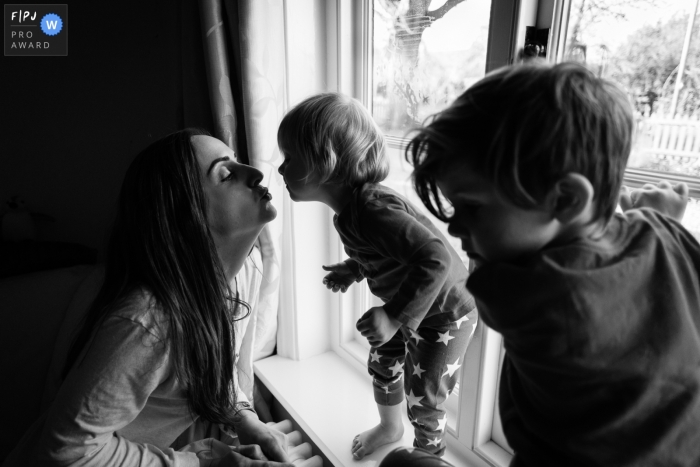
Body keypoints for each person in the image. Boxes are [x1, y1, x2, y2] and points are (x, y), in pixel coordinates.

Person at [407, 61, 700, 466]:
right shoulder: (663, 237)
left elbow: (492, 286)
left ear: (565, 200)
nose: (454, 225)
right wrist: (660, 219)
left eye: (471, 206)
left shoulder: (537, 297)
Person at [4, 129, 293, 467]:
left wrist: (246, 419)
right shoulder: (148, 322)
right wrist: (202, 463)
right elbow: (66, 451)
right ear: (188, 216)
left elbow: (217, 364)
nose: (255, 172)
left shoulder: (246, 271)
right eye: (226, 174)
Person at [276, 93, 478, 459]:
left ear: (325, 161)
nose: (280, 169)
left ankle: (426, 459)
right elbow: (382, 250)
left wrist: (393, 315)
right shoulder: (351, 212)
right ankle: (389, 427)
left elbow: (435, 258)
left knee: (426, 399)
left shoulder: (371, 210)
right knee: (383, 358)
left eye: (289, 157)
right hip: (412, 304)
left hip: (446, 314)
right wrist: (354, 269)